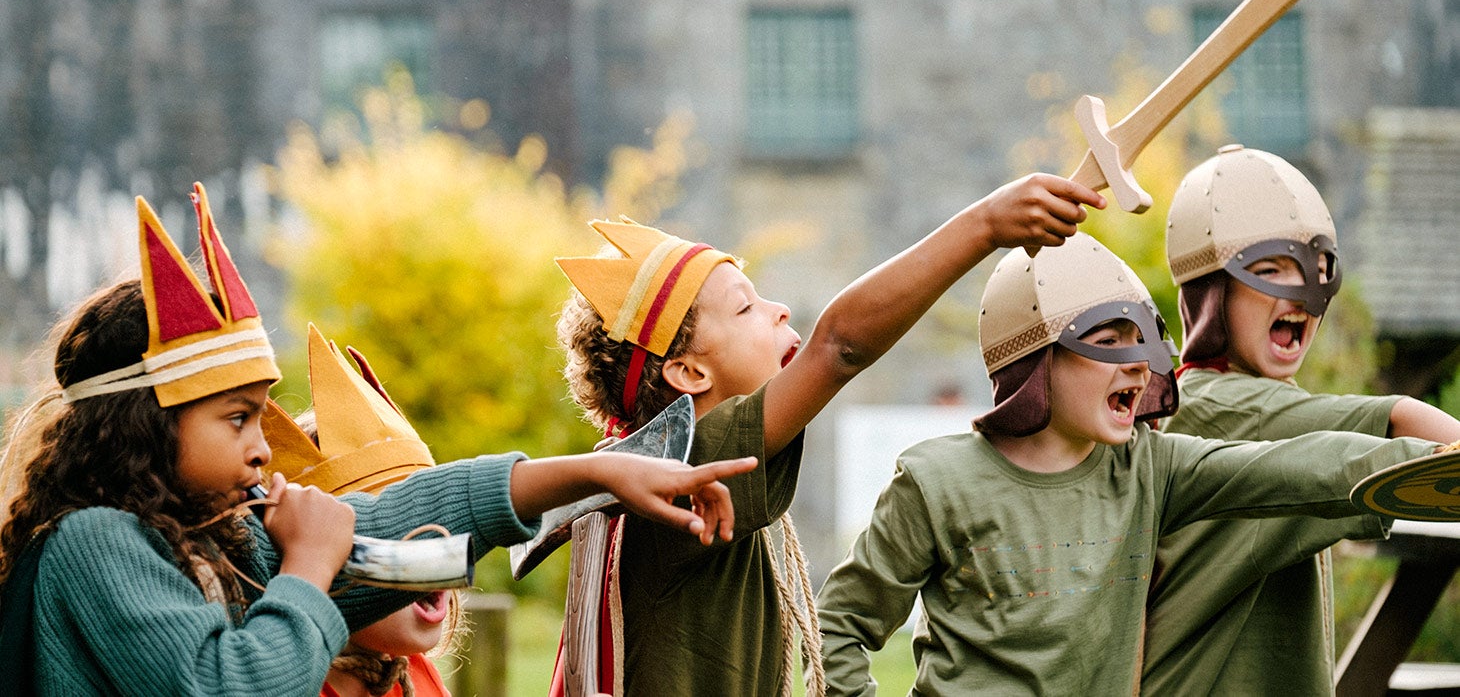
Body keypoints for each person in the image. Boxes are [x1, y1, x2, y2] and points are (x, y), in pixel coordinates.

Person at [0, 183, 755, 696]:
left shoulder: (217, 542)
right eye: (236, 418)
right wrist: (309, 566)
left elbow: (396, 526)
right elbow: (230, 684)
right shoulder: (95, 543)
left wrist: (597, 475)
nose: (262, 447)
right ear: (144, 426)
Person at [814, 232, 1444, 695]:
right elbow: (840, 624)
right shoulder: (935, 481)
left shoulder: (1150, 470)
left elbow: (1294, 466)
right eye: (1109, 339)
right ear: (1035, 358)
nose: (1139, 363)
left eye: (1145, 338)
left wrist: (1423, 465)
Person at [552, 173, 1106, 695]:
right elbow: (838, 346)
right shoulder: (695, 462)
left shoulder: (662, 465)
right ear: (690, 374)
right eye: (746, 307)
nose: (780, 309)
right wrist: (987, 224)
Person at [1141, 144, 1460, 695]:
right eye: (1269, 270)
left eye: (1317, 273)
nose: (1304, 296)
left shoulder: (1232, 399)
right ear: (1212, 294)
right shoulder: (1227, 407)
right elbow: (1396, 418)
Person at [265, 325, 468, 697]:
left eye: (435, 517)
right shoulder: (288, 686)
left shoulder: (417, 677)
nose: (433, 543)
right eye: (389, 528)